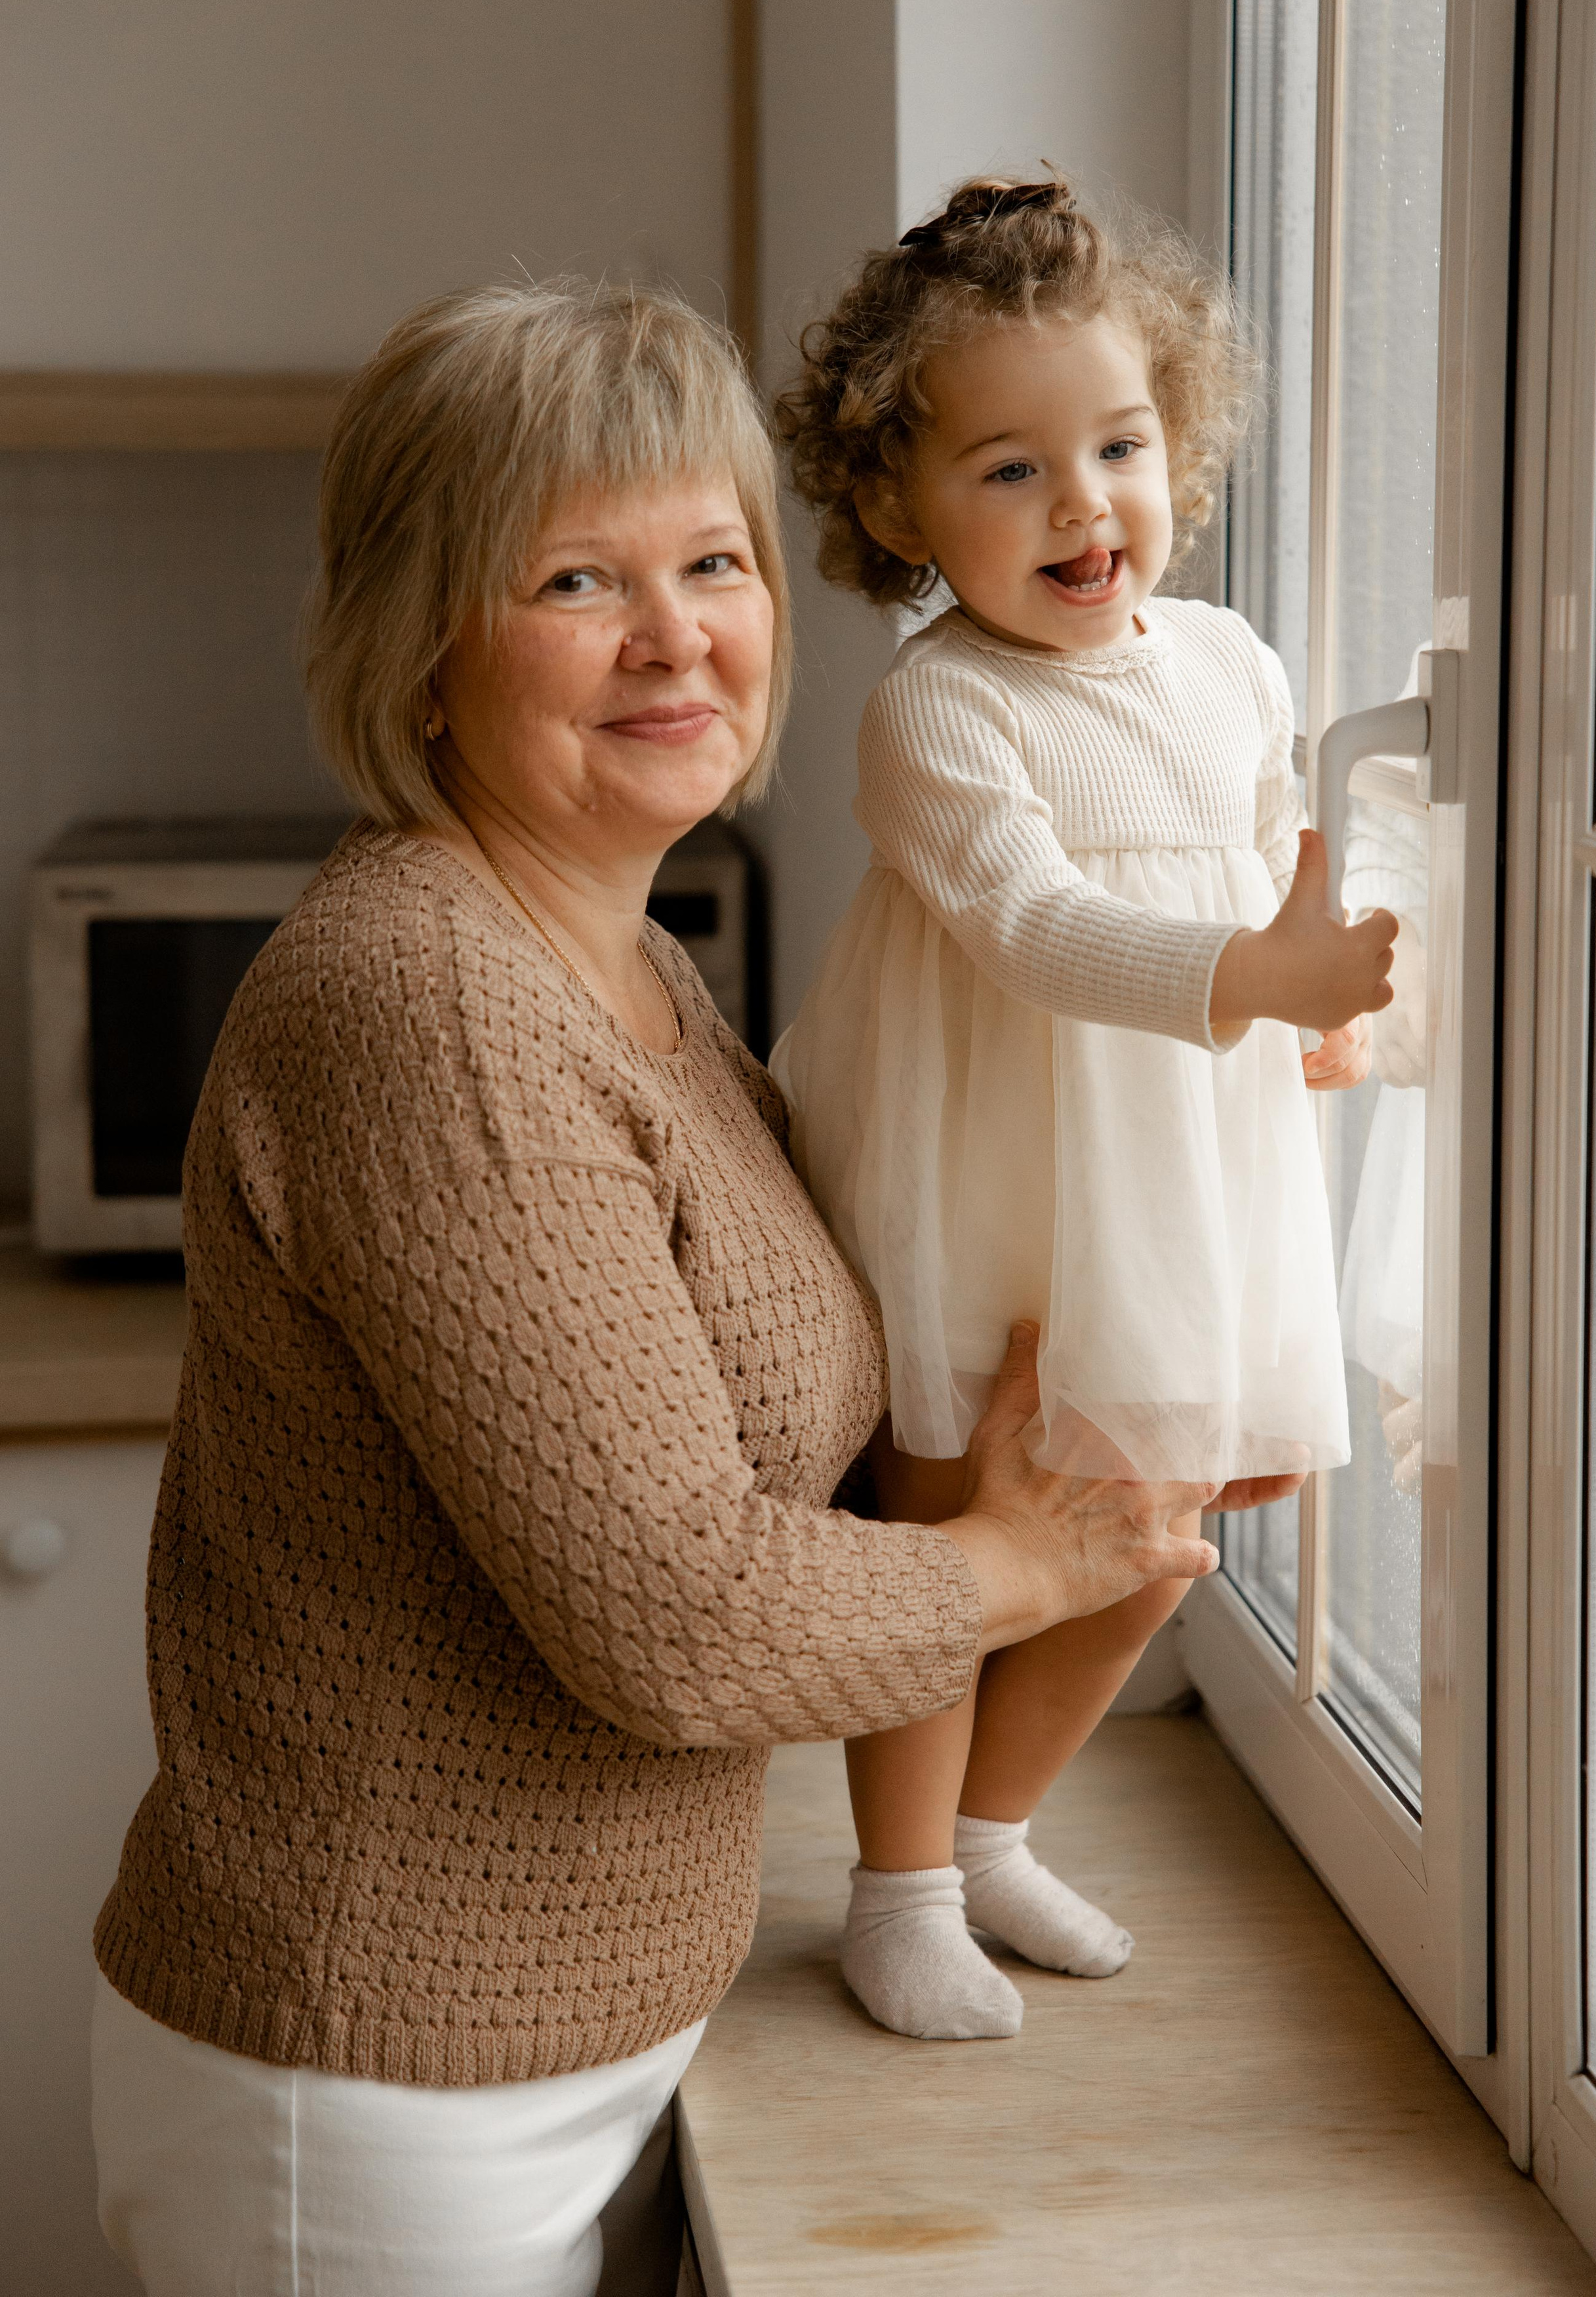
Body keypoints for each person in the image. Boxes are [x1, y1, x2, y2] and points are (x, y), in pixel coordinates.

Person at [87, 277, 1258, 2297]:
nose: (677, 637)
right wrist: (1040, 1560)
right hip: (376, 2094)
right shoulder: (428, 1007)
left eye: (713, 561)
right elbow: (683, 1616)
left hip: (569, 2038)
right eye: (574, 580)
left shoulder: (632, 972)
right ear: (420, 650)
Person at [770, 175, 1397, 2042]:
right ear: (898, 506)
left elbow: (1284, 873)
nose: (1082, 504)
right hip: (989, 1166)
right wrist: (1246, 986)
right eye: (1010, 469)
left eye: (1117, 445)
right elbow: (1040, 931)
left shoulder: (1231, 664)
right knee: (958, 1527)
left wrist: (1333, 1007)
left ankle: (987, 1840)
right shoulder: (938, 712)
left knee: (1151, 1533)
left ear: (1177, 449)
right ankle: (891, 1888)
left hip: (1185, 1165)